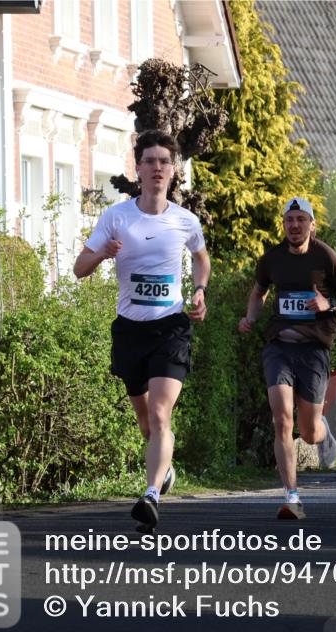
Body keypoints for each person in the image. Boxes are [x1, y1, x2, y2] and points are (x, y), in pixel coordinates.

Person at [73, 130, 211, 533]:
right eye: (149, 161)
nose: (157, 168)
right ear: (138, 168)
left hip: (171, 328)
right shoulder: (117, 217)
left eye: (164, 161)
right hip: (130, 330)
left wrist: (199, 290)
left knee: (160, 412)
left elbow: (201, 259)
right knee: (147, 422)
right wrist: (103, 253)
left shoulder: (185, 220)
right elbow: (79, 269)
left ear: (174, 170)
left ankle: (150, 495)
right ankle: (164, 468)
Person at [238, 197, 336, 519]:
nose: (294, 225)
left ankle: (322, 432)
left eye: (300, 219)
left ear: (312, 225)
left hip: (313, 350)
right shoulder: (272, 259)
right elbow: (259, 292)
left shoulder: (326, 257)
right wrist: (250, 317)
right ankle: (292, 497)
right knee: (282, 419)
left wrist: (329, 304)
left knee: (308, 432)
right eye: (289, 220)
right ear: (283, 224)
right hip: (279, 346)